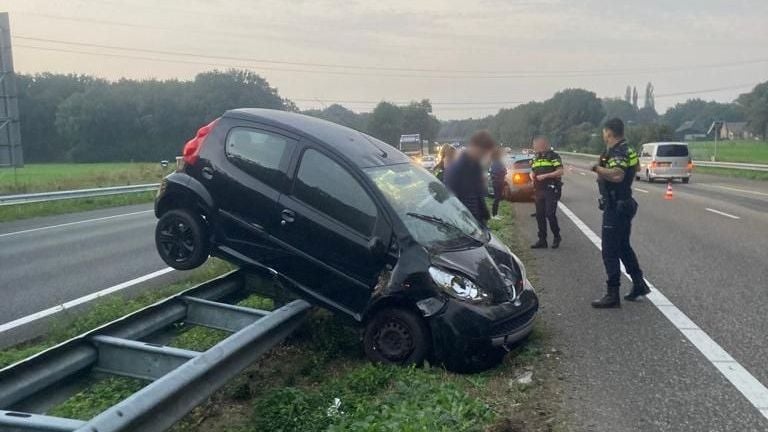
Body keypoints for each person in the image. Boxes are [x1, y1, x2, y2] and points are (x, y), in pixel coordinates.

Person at [590, 118, 650, 308]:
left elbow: (617, 174)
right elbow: (637, 168)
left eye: (604, 132)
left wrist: (597, 168)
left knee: (609, 250)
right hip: (624, 204)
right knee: (623, 246)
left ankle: (612, 294)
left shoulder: (618, 151)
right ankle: (639, 284)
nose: (603, 135)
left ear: (608, 132)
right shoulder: (629, 149)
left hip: (616, 206)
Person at [444, 131, 496, 227]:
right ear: (475, 148)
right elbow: (453, 203)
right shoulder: (457, 169)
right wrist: (473, 225)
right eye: (483, 153)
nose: (484, 156)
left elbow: (479, 196)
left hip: (478, 223)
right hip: (467, 226)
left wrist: (485, 217)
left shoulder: (475, 166)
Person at [529, 136, 564, 249]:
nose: (533, 147)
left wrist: (546, 176)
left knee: (550, 214)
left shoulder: (553, 156)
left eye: (535, 145)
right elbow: (532, 171)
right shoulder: (535, 158)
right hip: (538, 189)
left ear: (542, 144)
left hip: (550, 188)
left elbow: (560, 171)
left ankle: (556, 236)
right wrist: (531, 175)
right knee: (539, 215)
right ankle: (542, 240)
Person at [489, 147, 508, 220]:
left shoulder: (497, 161)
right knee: (497, 198)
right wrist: (504, 171)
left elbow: (503, 170)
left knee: (498, 198)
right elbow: (499, 171)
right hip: (497, 182)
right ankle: (494, 215)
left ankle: (496, 214)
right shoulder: (496, 162)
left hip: (499, 181)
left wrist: (504, 171)